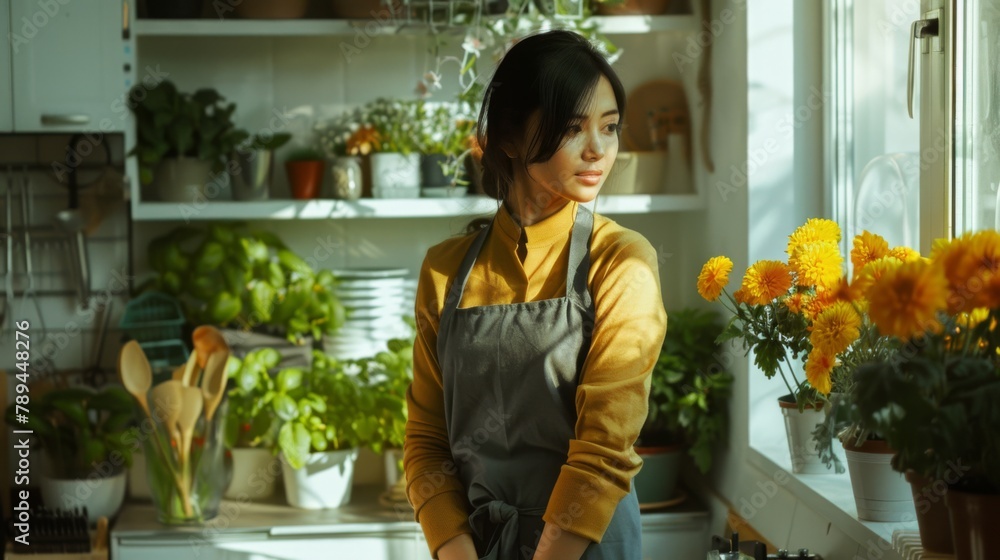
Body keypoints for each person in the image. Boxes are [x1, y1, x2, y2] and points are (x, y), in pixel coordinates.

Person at [404, 29, 668, 560]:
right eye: (573, 128)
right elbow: (427, 442)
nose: (598, 149)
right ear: (507, 137)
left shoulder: (621, 259)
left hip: (584, 546)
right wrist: (456, 551)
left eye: (610, 127)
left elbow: (605, 445)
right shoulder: (445, 270)